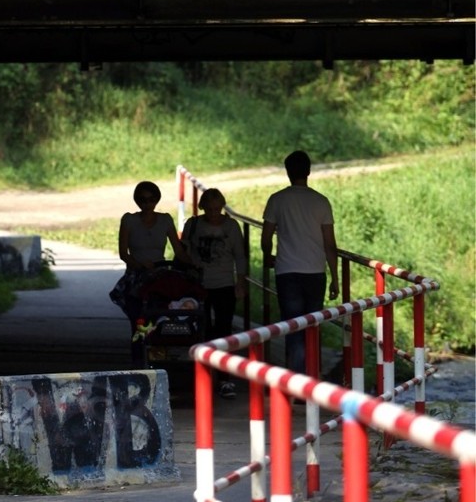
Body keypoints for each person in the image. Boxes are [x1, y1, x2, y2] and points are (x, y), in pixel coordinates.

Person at [260, 150, 339, 376]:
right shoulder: (321, 202)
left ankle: (296, 382)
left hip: (286, 272)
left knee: (293, 328)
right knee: (312, 327)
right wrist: (335, 278)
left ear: (287, 172)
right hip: (315, 271)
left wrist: (268, 257)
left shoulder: (277, 200)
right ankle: (312, 380)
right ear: (309, 171)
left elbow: (266, 238)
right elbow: (330, 245)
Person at [181, 188, 248, 398]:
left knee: (223, 330)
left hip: (224, 284)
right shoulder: (193, 225)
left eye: (217, 209)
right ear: (202, 207)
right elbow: (182, 252)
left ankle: (224, 379)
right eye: (209, 209)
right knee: (201, 330)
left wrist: (240, 282)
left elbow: (240, 256)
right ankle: (203, 375)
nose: (213, 213)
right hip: (198, 285)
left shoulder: (231, 226)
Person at [112, 181, 191, 342]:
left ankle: (157, 346)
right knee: (138, 321)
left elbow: (179, 250)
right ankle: (138, 354)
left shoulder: (165, 220)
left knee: (160, 315)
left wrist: (193, 265)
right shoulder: (129, 220)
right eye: (143, 200)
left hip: (158, 276)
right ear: (137, 201)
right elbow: (123, 253)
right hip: (136, 276)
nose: (147, 204)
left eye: (151, 199)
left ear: (157, 200)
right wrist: (139, 265)